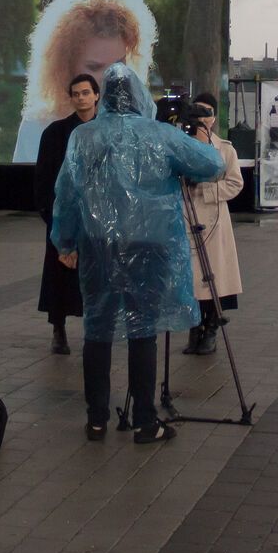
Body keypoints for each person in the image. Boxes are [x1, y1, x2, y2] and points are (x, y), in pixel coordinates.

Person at [51, 63, 226, 444]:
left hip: (99, 245)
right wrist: (199, 134)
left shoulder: (84, 136)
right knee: (142, 329)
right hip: (150, 244)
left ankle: (96, 419)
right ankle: (145, 420)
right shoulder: (159, 134)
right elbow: (213, 165)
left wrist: (65, 242)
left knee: (96, 328)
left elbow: (65, 193)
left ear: (106, 97)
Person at [12, 0, 156, 161]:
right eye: (95, 67)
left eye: (119, 64)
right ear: (66, 66)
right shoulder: (38, 125)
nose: (111, 77)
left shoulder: (143, 116)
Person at [34, 72, 98, 354]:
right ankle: (58, 329)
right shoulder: (56, 133)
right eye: (76, 93)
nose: (82, 97)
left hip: (98, 220)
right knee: (59, 276)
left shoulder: (106, 131)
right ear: (71, 98)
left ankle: (96, 331)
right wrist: (51, 216)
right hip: (63, 220)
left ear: (96, 95)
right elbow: (43, 178)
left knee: (96, 277)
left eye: (86, 92)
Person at [181, 95, 244, 356]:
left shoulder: (225, 149)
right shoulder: (181, 146)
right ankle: (194, 328)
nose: (202, 118)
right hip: (186, 216)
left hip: (214, 219)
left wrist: (206, 189)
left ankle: (211, 329)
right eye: (197, 113)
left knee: (214, 277)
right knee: (192, 279)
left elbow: (235, 183)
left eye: (207, 113)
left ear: (214, 117)